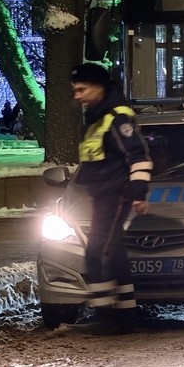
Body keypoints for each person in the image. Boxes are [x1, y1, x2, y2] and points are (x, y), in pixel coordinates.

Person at [70, 62, 152, 334]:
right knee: (114, 251)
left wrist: (138, 193)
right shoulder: (99, 117)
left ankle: (105, 316)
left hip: (115, 193)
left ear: (99, 88)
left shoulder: (117, 117)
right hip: (103, 194)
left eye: (82, 89)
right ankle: (126, 317)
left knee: (97, 252)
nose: (78, 96)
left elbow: (138, 156)